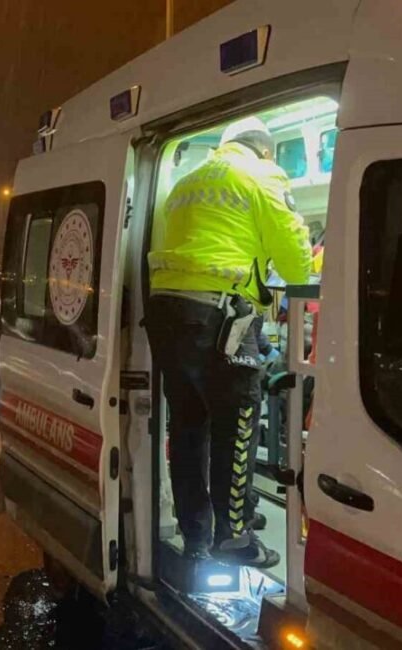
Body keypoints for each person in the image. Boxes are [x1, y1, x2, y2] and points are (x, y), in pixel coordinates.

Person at [145, 116, 312, 567]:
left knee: (187, 425)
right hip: (220, 314)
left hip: (165, 311)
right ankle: (233, 537)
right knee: (236, 424)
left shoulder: (185, 183)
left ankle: (198, 531)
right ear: (265, 150)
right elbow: (297, 262)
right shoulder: (261, 174)